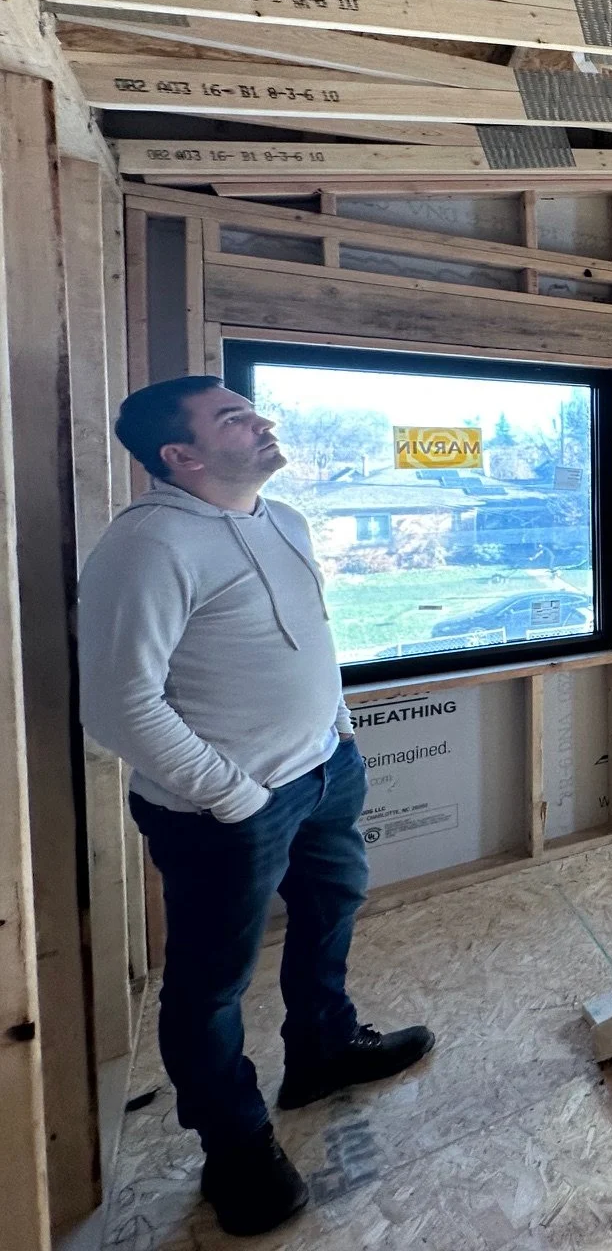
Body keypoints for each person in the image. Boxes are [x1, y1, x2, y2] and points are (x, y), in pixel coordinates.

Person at [78, 376, 435, 1236]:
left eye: (253, 408)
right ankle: (234, 1146)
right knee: (207, 986)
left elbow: (312, 637)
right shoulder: (149, 545)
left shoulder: (285, 519)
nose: (261, 420)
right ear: (182, 455)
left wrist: (338, 733)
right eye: (233, 416)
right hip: (222, 811)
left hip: (321, 773)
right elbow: (119, 706)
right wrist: (233, 796)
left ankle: (321, 1052)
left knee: (328, 914)